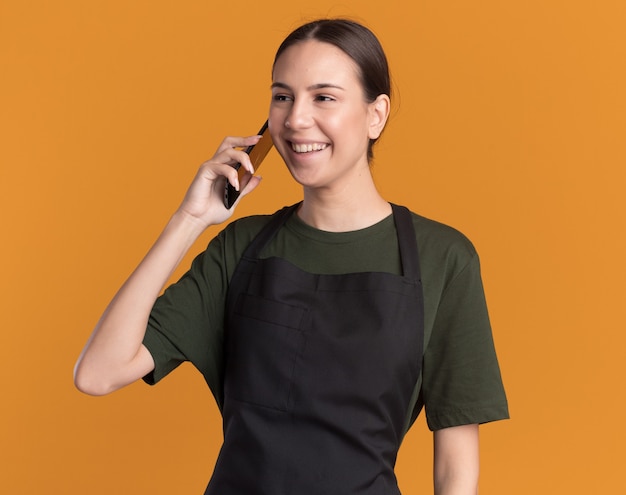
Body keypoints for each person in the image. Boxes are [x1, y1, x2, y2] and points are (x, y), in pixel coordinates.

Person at [74, 18, 508, 495]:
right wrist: (190, 219)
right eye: (283, 97)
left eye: (324, 97)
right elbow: (99, 373)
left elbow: (456, 469)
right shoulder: (241, 248)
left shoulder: (443, 258)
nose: (297, 118)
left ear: (375, 115)